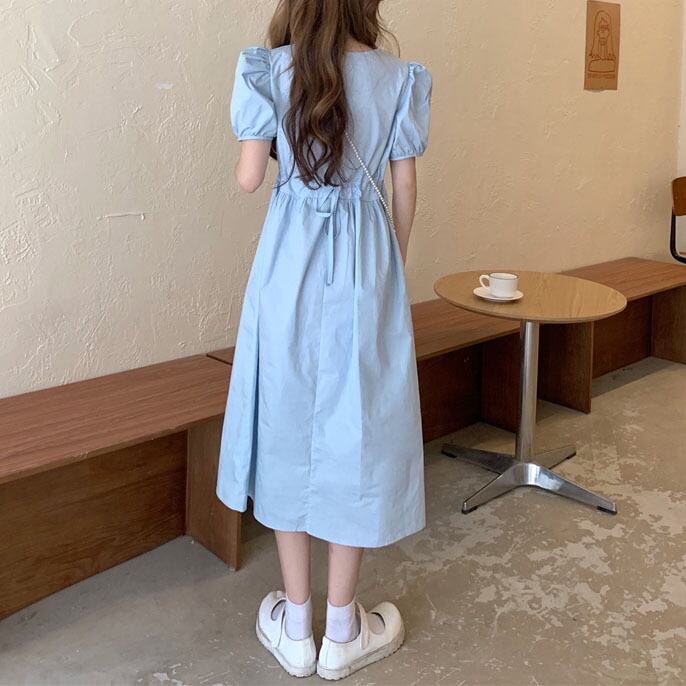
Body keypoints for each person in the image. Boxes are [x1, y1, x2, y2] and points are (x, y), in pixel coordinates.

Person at [216, 0, 432, 679]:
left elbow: (249, 178)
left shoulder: (271, 70)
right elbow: (404, 187)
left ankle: (295, 624)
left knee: (288, 426)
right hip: (366, 272)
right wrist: (392, 267)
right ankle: (342, 630)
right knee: (356, 434)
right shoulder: (397, 77)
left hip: (290, 272)